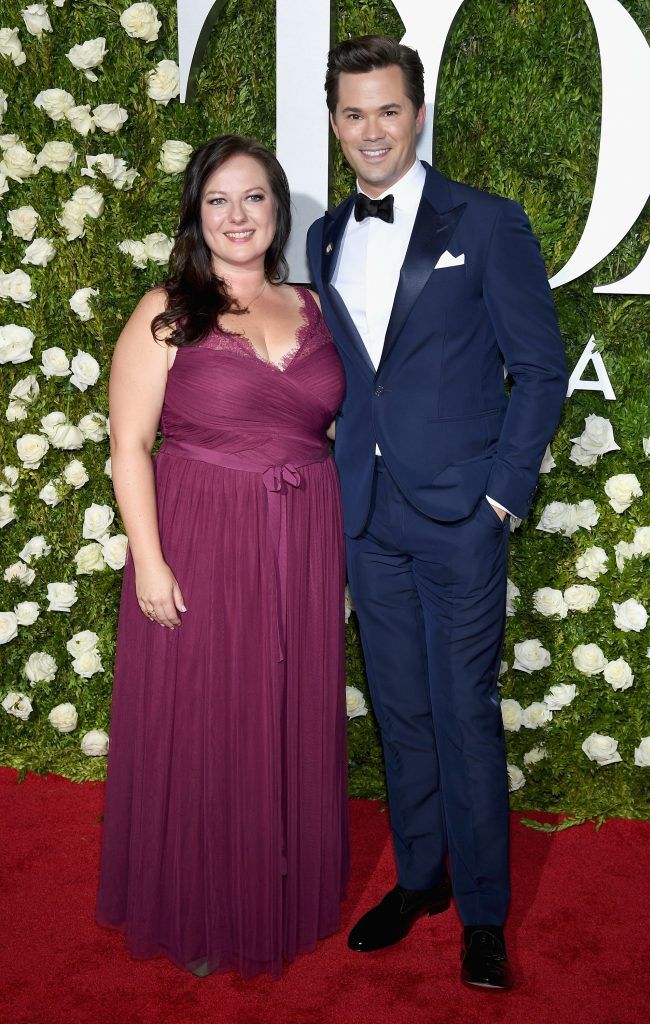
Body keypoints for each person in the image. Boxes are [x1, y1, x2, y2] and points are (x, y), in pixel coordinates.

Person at [307, 36, 568, 990]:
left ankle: (486, 913)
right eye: (352, 113)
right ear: (334, 123)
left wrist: (502, 495)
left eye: (387, 110)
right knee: (401, 710)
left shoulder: (489, 223)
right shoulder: (324, 236)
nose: (370, 130)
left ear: (418, 115)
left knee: (464, 713)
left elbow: (539, 370)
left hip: (462, 514)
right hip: (369, 515)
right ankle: (421, 879)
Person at [96, 135, 349, 979]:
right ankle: (200, 901)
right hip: (202, 535)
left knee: (284, 710)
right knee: (207, 713)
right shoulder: (168, 308)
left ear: (277, 210)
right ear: (196, 215)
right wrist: (150, 561)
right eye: (218, 201)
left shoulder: (315, 306)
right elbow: (129, 444)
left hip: (303, 536)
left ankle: (273, 884)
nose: (237, 216)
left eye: (254, 198)